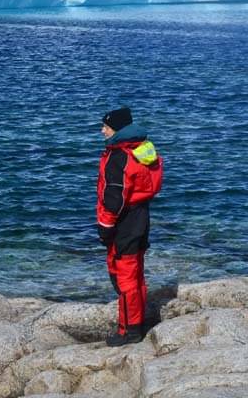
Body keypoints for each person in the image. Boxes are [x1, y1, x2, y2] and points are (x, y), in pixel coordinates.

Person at [96, 106, 163, 346]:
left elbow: (114, 198)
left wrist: (104, 227)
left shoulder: (118, 156)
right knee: (135, 274)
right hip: (141, 217)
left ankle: (128, 331)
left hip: (124, 223)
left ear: (117, 129)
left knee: (123, 276)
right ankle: (137, 323)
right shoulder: (142, 149)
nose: (102, 131)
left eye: (105, 126)